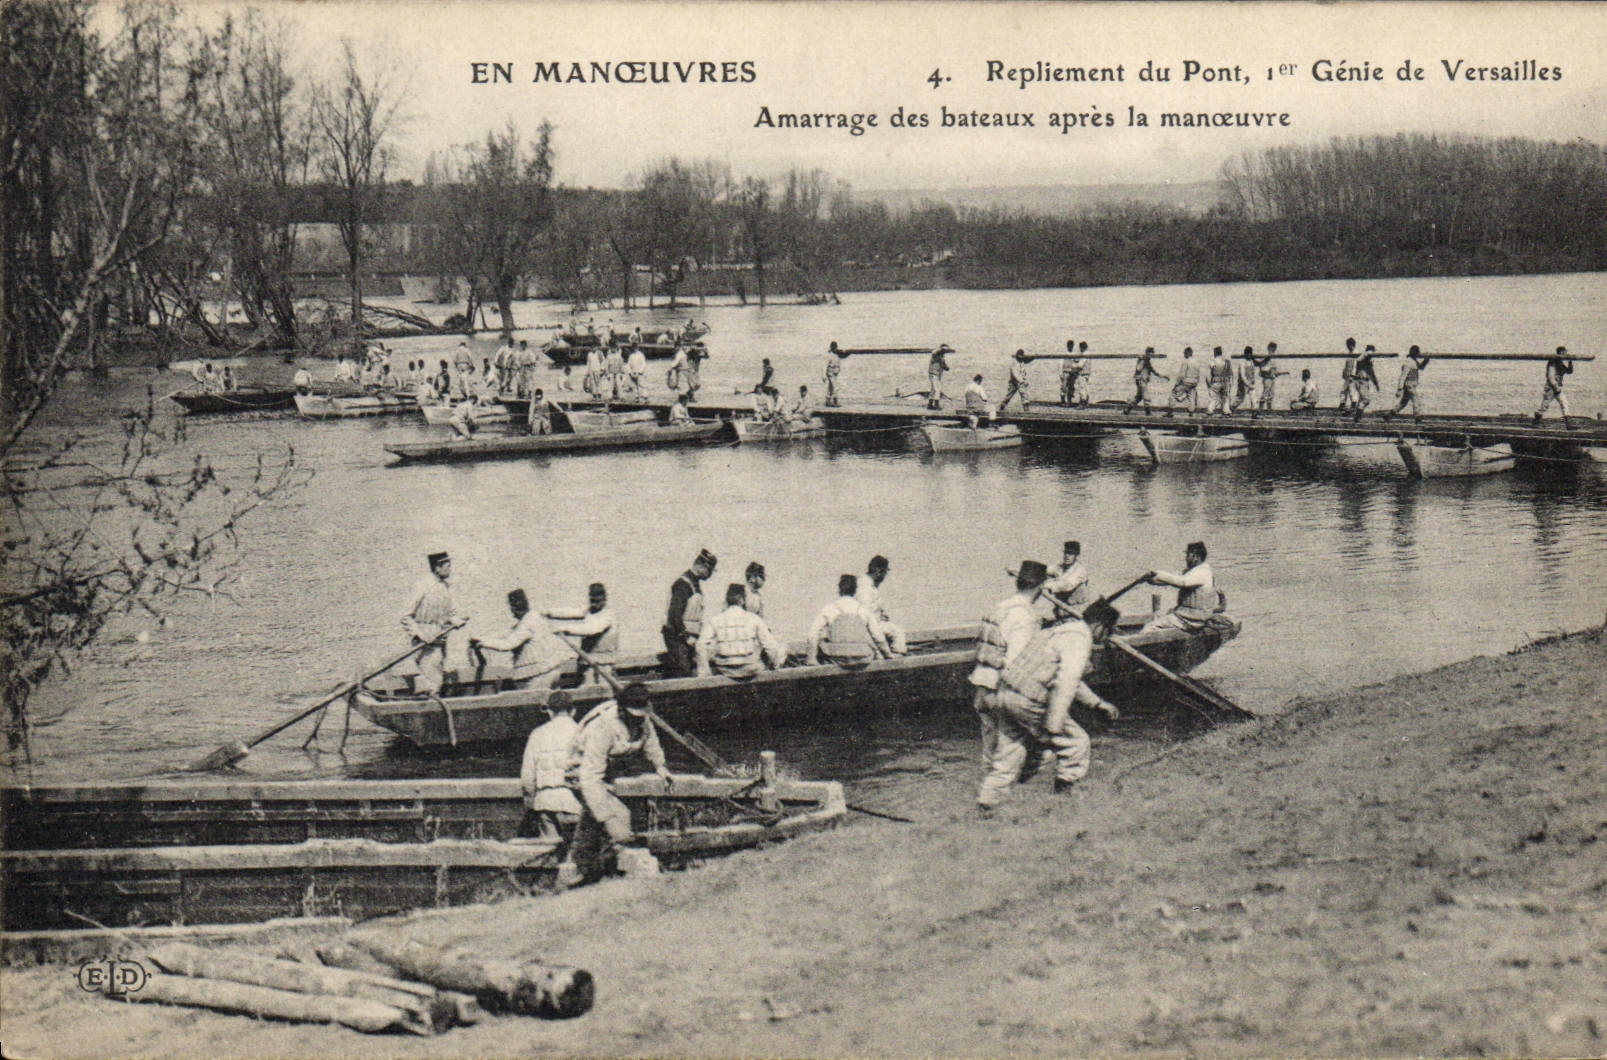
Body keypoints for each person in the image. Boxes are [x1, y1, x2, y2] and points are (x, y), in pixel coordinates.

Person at [977, 597, 1121, 813]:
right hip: (1030, 699)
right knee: (1077, 743)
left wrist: (1097, 703)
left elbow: (1065, 678)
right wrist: (1055, 721)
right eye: (1108, 631)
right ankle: (1063, 800)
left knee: (1009, 752)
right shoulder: (1079, 639)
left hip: (1005, 693)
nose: (1107, 637)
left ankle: (987, 803)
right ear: (1098, 626)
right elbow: (1067, 681)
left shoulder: (1055, 631)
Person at [562, 682, 673, 881]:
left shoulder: (643, 719)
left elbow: (651, 743)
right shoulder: (604, 726)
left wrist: (661, 767)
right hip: (581, 772)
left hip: (607, 771)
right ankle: (601, 870)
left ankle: (586, 868)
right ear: (621, 710)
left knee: (595, 821)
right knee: (615, 819)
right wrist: (607, 818)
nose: (637, 719)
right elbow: (590, 777)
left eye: (641, 715)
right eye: (632, 715)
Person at [969, 559, 1050, 768]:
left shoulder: (999, 607)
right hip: (1002, 693)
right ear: (1041, 586)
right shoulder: (1026, 616)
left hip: (982, 688)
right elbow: (1016, 663)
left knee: (990, 760)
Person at [469, 588, 572, 690]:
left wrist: (483, 643)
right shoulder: (537, 617)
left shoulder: (527, 623)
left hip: (537, 674)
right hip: (551, 669)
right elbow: (508, 635)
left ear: (513, 608)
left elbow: (508, 644)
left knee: (530, 699)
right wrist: (483, 639)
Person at [519, 690, 583, 842]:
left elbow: (527, 778)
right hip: (572, 802)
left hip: (544, 802)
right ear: (573, 711)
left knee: (549, 851)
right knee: (575, 851)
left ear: (549, 711)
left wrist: (530, 804)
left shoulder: (537, 734)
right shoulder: (581, 733)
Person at [400, 551, 467, 695]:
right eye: (447, 566)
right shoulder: (422, 585)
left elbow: (451, 612)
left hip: (440, 638)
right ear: (437, 567)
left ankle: (432, 699)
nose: (450, 569)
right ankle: (429, 703)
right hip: (425, 640)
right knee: (432, 679)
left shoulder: (445, 587)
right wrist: (420, 635)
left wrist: (456, 620)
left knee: (437, 673)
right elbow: (406, 616)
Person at [696, 583, 786, 678]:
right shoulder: (754, 619)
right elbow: (771, 647)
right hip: (750, 669)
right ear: (743, 600)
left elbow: (700, 645)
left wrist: (704, 672)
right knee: (782, 648)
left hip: (725, 669)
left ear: (727, 600)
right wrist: (776, 665)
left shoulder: (715, 620)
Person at [546, 582, 618, 686]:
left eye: (597, 600)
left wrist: (565, 629)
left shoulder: (608, 615)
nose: (594, 603)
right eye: (592, 600)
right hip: (586, 661)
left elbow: (592, 629)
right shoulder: (589, 611)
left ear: (604, 599)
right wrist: (549, 612)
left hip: (602, 664)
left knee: (595, 690)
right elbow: (570, 612)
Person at [808, 574, 891, 664]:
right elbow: (878, 638)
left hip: (837, 658)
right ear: (855, 590)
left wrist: (811, 658)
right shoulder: (863, 610)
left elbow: (812, 635)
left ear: (839, 589)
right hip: (862, 657)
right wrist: (888, 655)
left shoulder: (829, 608)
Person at [1141, 541, 1220, 633]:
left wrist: (1159, 574)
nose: (1186, 559)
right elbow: (1172, 579)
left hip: (1192, 620)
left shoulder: (1203, 572)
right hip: (1186, 616)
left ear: (1196, 557)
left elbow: (1183, 582)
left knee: (1149, 627)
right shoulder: (1191, 571)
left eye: (1188, 555)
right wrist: (1151, 580)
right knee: (1157, 615)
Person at [663, 549, 715, 675]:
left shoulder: (694, 583)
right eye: (709, 570)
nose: (710, 574)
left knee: (691, 670)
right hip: (677, 637)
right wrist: (686, 636)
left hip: (688, 638)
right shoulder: (683, 584)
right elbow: (674, 615)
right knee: (683, 671)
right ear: (701, 566)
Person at [856, 554, 908, 656]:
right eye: (885, 572)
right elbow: (866, 612)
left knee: (891, 628)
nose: (885, 576)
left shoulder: (866, 584)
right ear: (878, 571)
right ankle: (899, 656)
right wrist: (878, 618)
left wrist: (881, 615)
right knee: (898, 632)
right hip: (869, 626)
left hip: (869, 623)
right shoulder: (866, 587)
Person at [1534, 346, 1575, 426]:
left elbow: (1569, 371)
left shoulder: (1560, 362)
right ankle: (1536, 421)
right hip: (1551, 387)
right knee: (1544, 406)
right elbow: (1551, 376)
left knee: (1564, 402)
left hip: (1557, 387)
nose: (1566, 353)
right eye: (1565, 352)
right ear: (1561, 352)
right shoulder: (1552, 362)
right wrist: (1555, 387)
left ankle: (1568, 423)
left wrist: (1570, 361)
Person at [1045, 540, 1092, 609]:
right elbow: (1045, 570)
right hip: (1061, 609)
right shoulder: (1059, 567)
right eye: (1066, 553)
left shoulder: (1080, 570)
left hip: (1078, 610)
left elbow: (1067, 585)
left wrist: (1044, 585)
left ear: (1076, 555)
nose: (1067, 556)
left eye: (1071, 554)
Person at [1390, 345, 1430, 418]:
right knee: (1416, 398)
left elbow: (1421, 367)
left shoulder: (1414, 361)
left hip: (1411, 384)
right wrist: (1399, 389)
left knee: (1403, 402)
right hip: (1409, 384)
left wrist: (1426, 359)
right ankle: (1417, 415)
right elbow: (1403, 376)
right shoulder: (1408, 362)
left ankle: (1390, 414)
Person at [1126, 347, 1167, 412]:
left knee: (1139, 397)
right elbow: (1138, 368)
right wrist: (1142, 360)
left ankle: (1127, 409)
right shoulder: (1143, 360)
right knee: (1146, 394)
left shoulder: (1148, 362)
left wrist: (1163, 376)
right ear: (1147, 353)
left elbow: (1154, 371)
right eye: (1151, 354)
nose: (1152, 355)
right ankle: (1147, 410)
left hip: (1143, 381)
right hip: (1140, 380)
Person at [1351, 344, 1382, 419]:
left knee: (1361, 399)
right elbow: (1371, 373)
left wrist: (1376, 384)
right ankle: (1358, 414)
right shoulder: (1363, 360)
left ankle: (1357, 416)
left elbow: (1371, 373)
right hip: (1362, 381)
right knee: (1366, 400)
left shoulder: (1364, 361)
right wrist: (1376, 384)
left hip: (1360, 381)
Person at [1169, 347, 1201, 413]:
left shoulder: (1186, 362)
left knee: (1173, 393)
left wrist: (1176, 384)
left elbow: (1182, 375)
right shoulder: (1196, 362)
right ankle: (1191, 412)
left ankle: (1170, 411)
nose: (1184, 354)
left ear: (1188, 353)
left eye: (1184, 353)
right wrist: (1196, 382)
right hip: (1194, 382)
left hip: (1186, 382)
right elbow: (1198, 374)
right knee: (1191, 397)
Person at [1256, 342, 1286, 411]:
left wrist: (1278, 373)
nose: (1273, 350)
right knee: (1266, 392)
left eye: (1274, 349)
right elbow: (1262, 368)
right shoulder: (1266, 357)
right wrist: (1269, 371)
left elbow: (1274, 369)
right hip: (1267, 378)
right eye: (1271, 348)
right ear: (1268, 348)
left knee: (1271, 393)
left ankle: (1269, 407)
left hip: (1272, 378)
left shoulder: (1274, 358)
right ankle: (1261, 407)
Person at [1231, 346, 1259, 412]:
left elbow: (1260, 364)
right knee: (1240, 399)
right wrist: (1247, 384)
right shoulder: (1242, 363)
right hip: (1243, 384)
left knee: (1254, 398)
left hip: (1251, 383)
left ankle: (1254, 412)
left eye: (1250, 353)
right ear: (1245, 354)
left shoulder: (1252, 362)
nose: (1249, 355)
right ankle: (1230, 409)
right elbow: (1243, 375)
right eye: (1247, 353)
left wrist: (1268, 358)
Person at [927, 344, 953, 410]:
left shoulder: (941, 356)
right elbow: (934, 352)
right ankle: (936, 405)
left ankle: (930, 404)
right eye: (944, 350)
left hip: (937, 374)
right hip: (934, 373)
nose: (945, 351)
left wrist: (946, 367)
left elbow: (944, 365)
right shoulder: (935, 354)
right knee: (937, 389)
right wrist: (942, 349)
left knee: (933, 390)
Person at [1206, 347, 1232, 414]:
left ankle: (1210, 410)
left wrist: (1209, 384)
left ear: (1215, 353)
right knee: (1225, 398)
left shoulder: (1212, 361)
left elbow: (1208, 375)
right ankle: (1226, 410)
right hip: (1225, 382)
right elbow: (1230, 373)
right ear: (1221, 352)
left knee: (1213, 397)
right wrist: (1230, 383)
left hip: (1215, 381)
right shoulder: (1227, 361)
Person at [1337, 337, 1359, 412]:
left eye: (1348, 345)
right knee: (1343, 390)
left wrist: (1353, 375)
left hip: (1352, 376)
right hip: (1347, 375)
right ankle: (1342, 403)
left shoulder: (1356, 353)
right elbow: (1346, 364)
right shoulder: (1349, 353)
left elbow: (1355, 365)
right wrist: (1344, 372)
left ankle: (1353, 405)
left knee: (1352, 390)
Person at [824, 341, 847, 407]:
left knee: (830, 387)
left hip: (835, 373)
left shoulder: (837, 355)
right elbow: (825, 365)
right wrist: (824, 375)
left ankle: (828, 401)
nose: (835, 349)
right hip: (831, 373)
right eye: (834, 348)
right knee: (835, 387)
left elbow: (843, 356)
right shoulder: (829, 355)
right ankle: (835, 401)